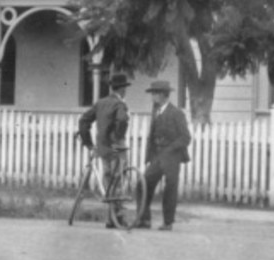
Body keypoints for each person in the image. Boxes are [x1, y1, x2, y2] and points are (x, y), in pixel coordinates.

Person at [78, 73, 132, 228]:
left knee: (108, 180)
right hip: (116, 147)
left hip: (103, 148)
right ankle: (119, 217)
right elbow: (122, 120)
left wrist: (88, 142)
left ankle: (111, 219)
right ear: (122, 89)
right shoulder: (120, 104)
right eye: (125, 88)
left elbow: (83, 120)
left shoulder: (100, 103)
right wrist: (118, 137)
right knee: (120, 181)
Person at [137, 80, 191, 231]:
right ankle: (144, 220)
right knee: (142, 183)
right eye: (152, 94)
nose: (152, 97)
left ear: (162, 94)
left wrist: (170, 149)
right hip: (157, 157)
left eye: (154, 93)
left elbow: (186, 137)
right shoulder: (156, 111)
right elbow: (152, 136)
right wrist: (150, 157)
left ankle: (168, 223)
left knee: (170, 188)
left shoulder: (176, 113)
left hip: (172, 157)